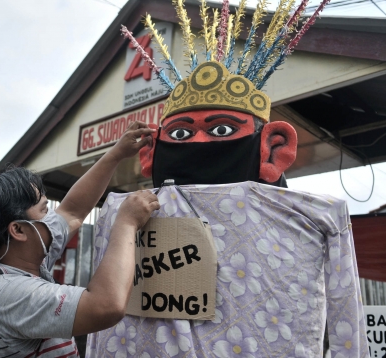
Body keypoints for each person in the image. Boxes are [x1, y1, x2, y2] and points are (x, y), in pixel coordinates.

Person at [86, 1, 370, 357]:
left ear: (273, 148)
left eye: (221, 129)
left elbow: (348, 324)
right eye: (180, 135)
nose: (200, 144)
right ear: (150, 153)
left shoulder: (314, 216)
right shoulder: (124, 212)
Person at [0, 121, 160, 357]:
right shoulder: (10, 294)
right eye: (44, 210)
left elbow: (73, 211)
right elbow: (106, 305)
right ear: (18, 230)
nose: (53, 218)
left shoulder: (17, 263)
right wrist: (126, 223)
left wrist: (116, 154)